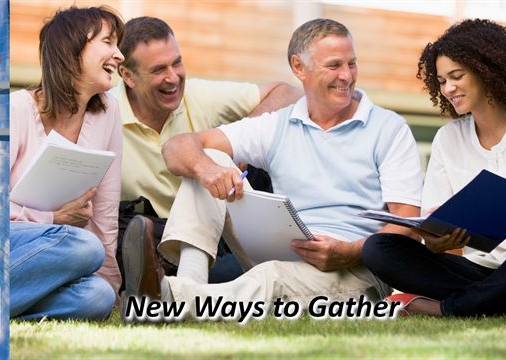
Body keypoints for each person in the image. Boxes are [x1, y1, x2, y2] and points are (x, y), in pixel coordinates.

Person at [122, 18, 423, 319]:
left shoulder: (389, 128)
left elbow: (407, 226)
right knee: (209, 161)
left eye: (352, 64)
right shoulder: (279, 124)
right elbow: (176, 148)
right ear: (299, 67)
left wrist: (352, 251)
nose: (347, 76)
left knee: (271, 279)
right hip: (287, 250)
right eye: (334, 65)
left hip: (354, 272)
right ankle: (187, 285)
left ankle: (166, 298)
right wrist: (208, 169)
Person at [362, 19, 506, 316]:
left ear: (486, 70)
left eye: (456, 76)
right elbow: (435, 229)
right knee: (379, 248)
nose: (448, 89)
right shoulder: (448, 138)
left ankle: (449, 309)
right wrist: (440, 240)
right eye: (441, 81)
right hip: (483, 272)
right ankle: (500, 305)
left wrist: (488, 225)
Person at [110, 16, 303, 290]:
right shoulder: (105, 114)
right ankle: (173, 282)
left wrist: (243, 135)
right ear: (127, 76)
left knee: (239, 163)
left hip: (214, 230)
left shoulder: (199, 95)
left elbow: (286, 92)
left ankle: (178, 286)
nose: (173, 77)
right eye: (158, 69)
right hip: (151, 231)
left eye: (177, 62)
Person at [9, 6, 125, 320]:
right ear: (72, 49)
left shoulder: (108, 113)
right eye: (108, 42)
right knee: (84, 245)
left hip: (56, 255)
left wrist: (111, 282)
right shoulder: (15, 110)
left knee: (96, 296)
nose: (119, 55)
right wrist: (52, 218)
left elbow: (105, 209)